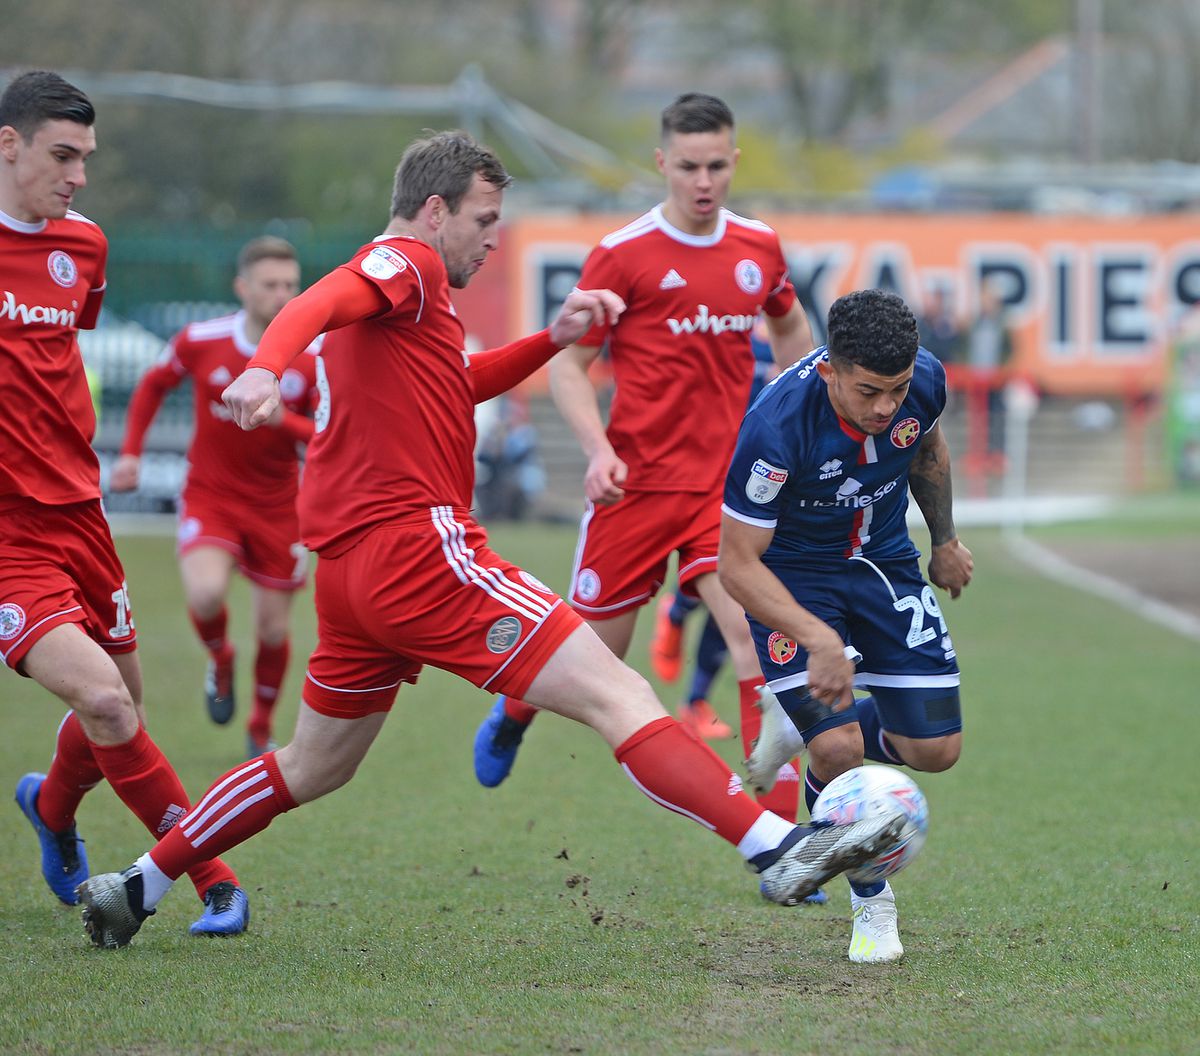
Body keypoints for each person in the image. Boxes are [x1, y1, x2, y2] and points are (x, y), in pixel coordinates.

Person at [74, 129, 903, 950]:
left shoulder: (415, 305)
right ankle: (782, 849)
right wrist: (267, 362)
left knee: (313, 764)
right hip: (419, 551)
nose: (492, 236)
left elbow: (457, 383)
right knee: (620, 695)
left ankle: (139, 885)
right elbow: (319, 299)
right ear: (435, 212)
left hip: (350, 573)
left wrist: (554, 339)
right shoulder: (408, 263)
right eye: (484, 218)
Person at [472, 94, 814, 831]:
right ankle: (513, 714)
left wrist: (796, 415)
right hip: (633, 490)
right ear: (662, 163)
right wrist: (598, 451)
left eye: (716, 165)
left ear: (734, 162)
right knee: (589, 663)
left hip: (723, 493)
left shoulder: (758, 247)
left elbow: (791, 328)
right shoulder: (623, 254)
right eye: (688, 166)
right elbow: (570, 366)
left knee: (754, 647)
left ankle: (786, 841)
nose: (703, 180)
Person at [0, 69, 248, 935]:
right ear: (9, 145)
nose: (77, 175)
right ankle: (212, 877)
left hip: (82, 513)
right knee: (104, 702)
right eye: (62, 156)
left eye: (86, 158)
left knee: (123, 704)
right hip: (7, 534)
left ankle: (52, 811)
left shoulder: (86, 246)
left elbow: (61, 358)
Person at [719, 288, 974, 963]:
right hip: (794, 578)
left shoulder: (921, 383)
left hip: (884, 560)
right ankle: (873, 909)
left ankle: (798, 732)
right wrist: (819, 639)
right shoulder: (775, 428)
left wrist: (944, 540)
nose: (886, 406)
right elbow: (736, 566)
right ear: (830, 369)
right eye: (869, 392)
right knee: (835, 751)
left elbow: (927, 450)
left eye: (896, 389)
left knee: (936, 752)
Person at [110, 237, 320, 758]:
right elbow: (154, 384)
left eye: (291, 285)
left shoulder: (312, 355)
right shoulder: (201, 339)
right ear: (242, 288)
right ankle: (220, 659)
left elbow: (327, 433)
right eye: (271, 284)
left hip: (279, 505)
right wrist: (131, 453)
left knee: (273, 630)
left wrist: (283, 420)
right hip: (212, 494)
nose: (283, 295)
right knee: (204, 595)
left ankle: (259, 727)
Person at [648, 314, 782, 738]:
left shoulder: (783, 329)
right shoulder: (706, 321)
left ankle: (692, 691)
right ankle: (681, 612)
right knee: (735, 593)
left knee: (740, 598)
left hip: (761, 476)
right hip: (710, 477)